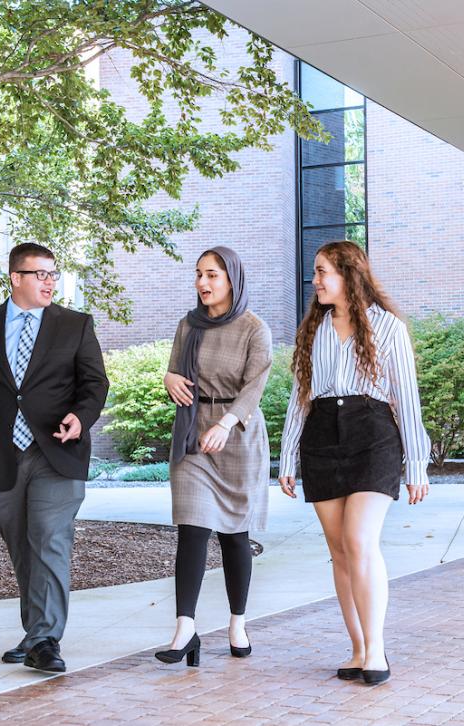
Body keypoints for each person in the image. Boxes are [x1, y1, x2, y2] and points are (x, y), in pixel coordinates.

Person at [0, 242, 108, 674]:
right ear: (16, 277)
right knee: (23, 548)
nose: (50, 281)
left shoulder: (74, 325)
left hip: (57, 450)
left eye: (54, 274)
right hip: (3, 455)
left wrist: (81, 416)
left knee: (50, 541)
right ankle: (36, 631)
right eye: (40, 274)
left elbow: (95, 385)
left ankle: (45, 639)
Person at [277, 240, 430, 686]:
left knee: (360, 541)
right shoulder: (314, 329)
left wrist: (417, 463)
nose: (316, 280)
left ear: (349, 273)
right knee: (340, 551)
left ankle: (377, 649)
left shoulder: (387, 327)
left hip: (373, 433)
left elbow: (406, 398)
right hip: (322, 435)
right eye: (315, 272)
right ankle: (358, 648)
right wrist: (287, 455)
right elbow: (299, 397)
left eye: (323, 271)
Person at [154, 246, 273, 668]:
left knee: (234, 535)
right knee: (192, 528)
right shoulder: (188, 325)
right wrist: (169, 376)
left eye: (212, 275)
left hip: (236, 435)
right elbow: (175, 369)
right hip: (191, 434)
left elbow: (254, 388)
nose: (203, 283)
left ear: (232, 280)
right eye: (199, 274)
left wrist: (225, 424)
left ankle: (237, 622)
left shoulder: (254, 328)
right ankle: (185, 627)